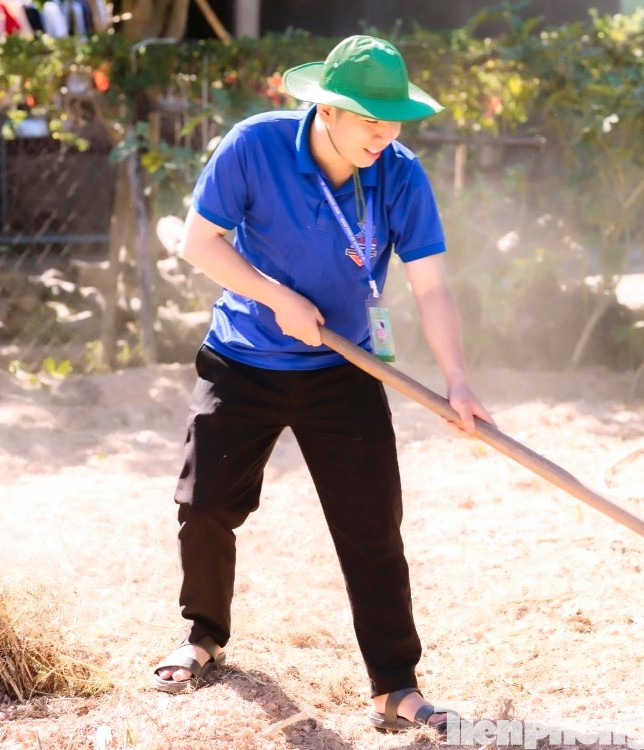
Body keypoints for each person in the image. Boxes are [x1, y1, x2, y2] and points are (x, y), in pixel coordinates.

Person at [150, 35, 492, 735]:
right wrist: (276, 295)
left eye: (393, 118)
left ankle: (394, 687)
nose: (384, 133)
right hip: (243, 356)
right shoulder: (255, 146)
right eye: (370, 116)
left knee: (373, 529)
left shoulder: (399, 173)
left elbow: (432, 288)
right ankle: (204, 636)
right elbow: (199, 242)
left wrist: (457, 380)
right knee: (206, 504)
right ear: (328, 108)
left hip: (345, 369)